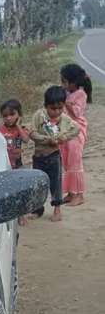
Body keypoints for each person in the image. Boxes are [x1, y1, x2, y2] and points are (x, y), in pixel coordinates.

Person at [28, 85, 80, 223]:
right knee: (37, 183)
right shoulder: (39, 115)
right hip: (39, 156)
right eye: (53, 108)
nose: (56, 111)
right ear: (46, 106)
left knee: (56, 184)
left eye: (60, 108)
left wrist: (64, 138)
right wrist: (46, 139)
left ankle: (57, 210)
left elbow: (76, 129)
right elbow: (32, 133)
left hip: (54, 156)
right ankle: (38, 209)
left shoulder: (64, 119)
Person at [60, 62, 92, 207]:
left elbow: (76, 112)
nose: (63, 84)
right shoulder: (68, 93)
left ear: (73, 82)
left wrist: (65, 102)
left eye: (64, 81)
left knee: (75, 162)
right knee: (67, 161)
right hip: (65, 131)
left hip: (76, 131)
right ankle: (71, 192)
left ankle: (79, 195)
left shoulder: (81, 94)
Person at [0, 99, 30, 169]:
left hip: (18, 163)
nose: (9, 118)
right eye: (5, 116)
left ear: (19, 114)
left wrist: (18, 125)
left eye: (12, 114)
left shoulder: (22, 129)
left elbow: (26, 139)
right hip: (4, 163)